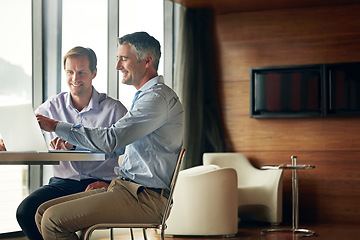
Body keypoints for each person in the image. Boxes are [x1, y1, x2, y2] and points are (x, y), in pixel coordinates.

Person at [34, 31, 184, 240]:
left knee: (52, 219)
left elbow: (111, 140)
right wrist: (74, 146)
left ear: (147, 61)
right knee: (40, 212)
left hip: (145, 197)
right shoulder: (146, 97)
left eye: (124, 58)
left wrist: (56, 126)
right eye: (118, 59)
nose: (117, 66)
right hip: (127, 188)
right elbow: (119, 147)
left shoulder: (156, 99)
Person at [14, 46, 127, 240]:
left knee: (55, 220)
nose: (75, 78)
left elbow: (128, 151)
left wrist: (113, 185)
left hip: (99, 184)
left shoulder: (114, 109)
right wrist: (8, 142)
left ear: (94, 73)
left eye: (81, 72)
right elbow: (28, 131)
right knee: (26, 212)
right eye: (70, 72)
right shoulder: (52, 106)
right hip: (62, 184)